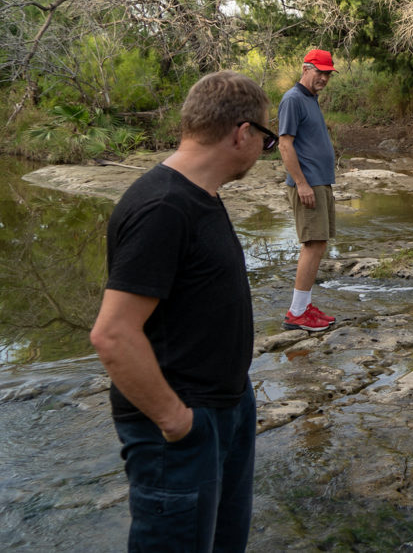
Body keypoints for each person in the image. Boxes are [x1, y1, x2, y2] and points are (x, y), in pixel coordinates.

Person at [90, 70, 277, 552]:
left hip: (224, 407)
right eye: (266, 139)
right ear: (242, 133)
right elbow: (112, 335)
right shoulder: (164, 207)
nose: (263, 150)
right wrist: (177, 421)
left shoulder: (200, 196)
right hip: (180, 428)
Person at [276, 48, 339, 332]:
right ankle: (296, 313)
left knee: (319, 243)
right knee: (312, 245)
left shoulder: (310, 99)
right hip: (308, 184)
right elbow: (284, 144)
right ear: (305, 68)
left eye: (327, 73)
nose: (324, 78)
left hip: (319, 182)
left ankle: (304, 306)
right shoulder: (292, 99)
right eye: (319, 72)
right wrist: (301, 183)